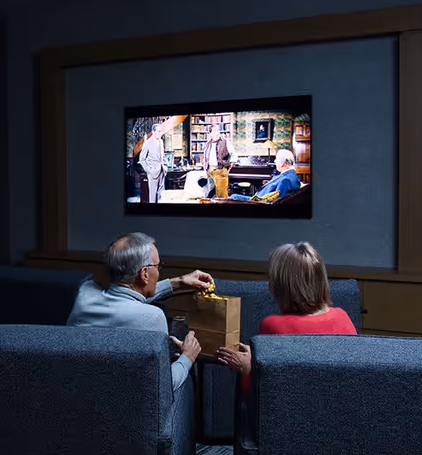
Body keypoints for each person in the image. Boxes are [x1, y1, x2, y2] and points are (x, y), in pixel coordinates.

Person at [68, 232, 213, 393]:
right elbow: (162, 386)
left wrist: (178, 283)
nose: (159, 273)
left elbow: (124, 297)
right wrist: (187, 357)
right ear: (144, 274)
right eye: (158, 266)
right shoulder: (153, 317)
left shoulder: (85, 294)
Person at [216, 242, 357, 389]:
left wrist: (247, 369)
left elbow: (270, 393)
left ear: (281, 287)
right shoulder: (343, 317)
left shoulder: (273, 326)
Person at [229, 149, 300, 202]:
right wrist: (269, 183)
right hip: (260, 198)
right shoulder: (292, 175)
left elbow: (278, 202)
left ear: (282, 163)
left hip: (258, 202)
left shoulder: (285, 180)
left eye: (276, 159)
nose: (275, 161)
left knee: (233, 197)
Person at [138, 120, 166, 203]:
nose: (161, 133)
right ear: (153, 132)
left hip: (162, 171)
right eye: (159, 131)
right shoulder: (147, 143)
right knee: (153, 197)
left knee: (161, 196)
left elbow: (162, 156)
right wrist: (149, 171)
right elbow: (142, 159)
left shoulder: (161, 141)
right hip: (153, 173)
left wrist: (165, 166)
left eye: (161, 131)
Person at [201, 126, 232, 199]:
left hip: (220, 171)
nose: (217, 133)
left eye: (218, 131)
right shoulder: (208, 144)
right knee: (209, 196)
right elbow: (205, 159)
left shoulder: (225, 141)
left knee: (222, 197)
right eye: (214, 131)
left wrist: (228, 170)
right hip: (209, 172)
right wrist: (205, 171)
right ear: (210, 133)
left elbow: (234, 156)